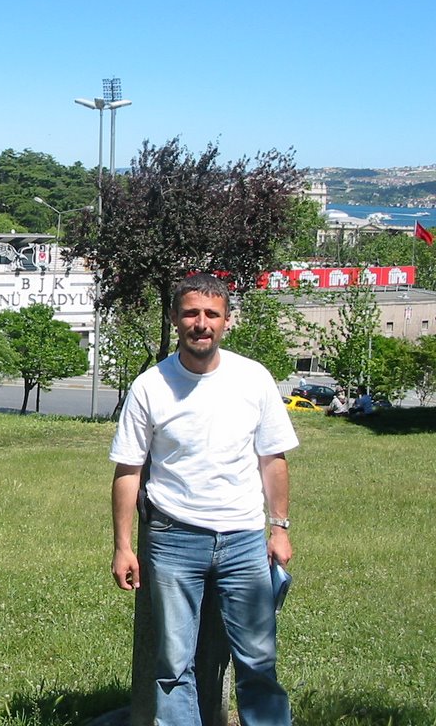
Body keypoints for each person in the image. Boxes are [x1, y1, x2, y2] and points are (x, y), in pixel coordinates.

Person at [109, 272, 297, 726]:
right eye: (191, 312)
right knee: (174, 666)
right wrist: (123, 545)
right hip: (173, 540)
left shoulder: (253, 378)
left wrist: (280, 527)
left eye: (211, 314)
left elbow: (272, 460)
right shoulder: (150, 386)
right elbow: (128, 471)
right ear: (175, 318)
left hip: (244, 540)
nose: (201, 323)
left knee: (257, 659)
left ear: (226, 321)